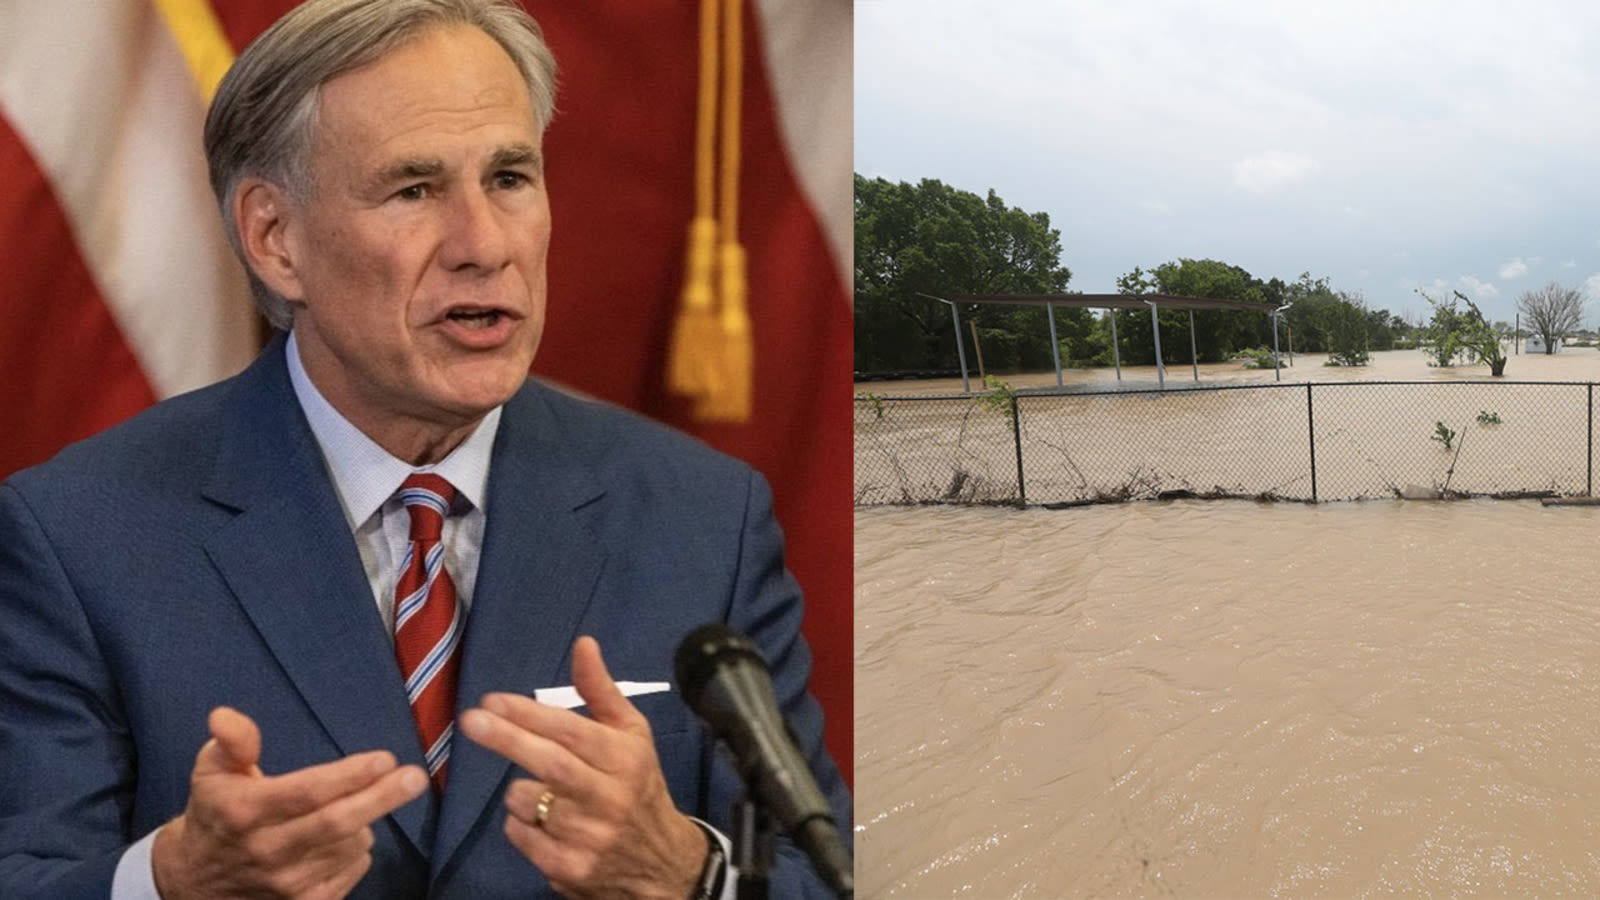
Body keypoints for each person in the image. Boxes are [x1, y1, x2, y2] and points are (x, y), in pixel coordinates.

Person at [0, 0, 850, 897]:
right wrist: (169, 881)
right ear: (274, 239)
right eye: (413, 189)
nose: (485, 246)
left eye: (511, 178)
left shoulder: (707, 516)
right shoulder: (75, 533)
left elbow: (826, 873)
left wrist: (690, 874)